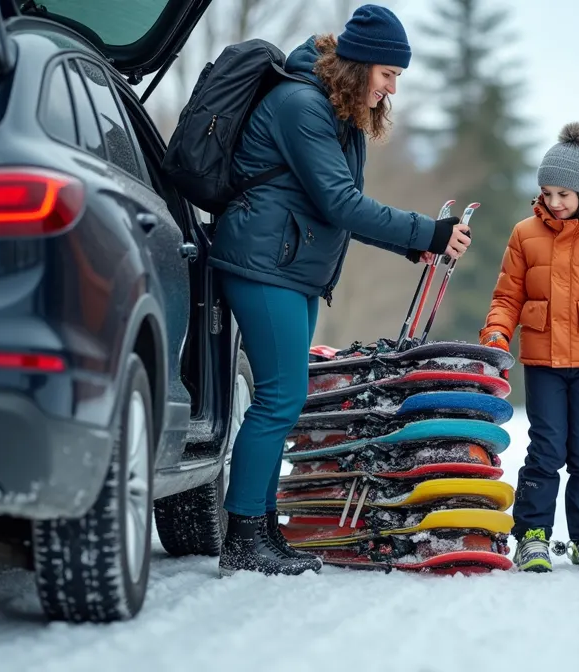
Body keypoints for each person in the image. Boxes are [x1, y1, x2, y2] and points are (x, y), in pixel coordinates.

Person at [207, 5, 472, 578]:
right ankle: (243, 537)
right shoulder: (301, 105)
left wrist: (415, 244)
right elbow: (340, 203)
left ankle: (264, 528)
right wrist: (427, 232)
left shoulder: (333, 109)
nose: (391, 89)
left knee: (288, 396)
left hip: (291, 267)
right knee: (279, 397)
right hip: (261, 264)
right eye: (387, 75)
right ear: (358, 66)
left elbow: (336, 205)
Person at [479, 122, 579, 573]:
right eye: (547, 193)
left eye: (563, 195)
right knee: (546, 447)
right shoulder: (524, 233)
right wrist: (495, 335)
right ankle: (532, 535)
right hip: (544, 359)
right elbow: (507, 296)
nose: (554, 202)